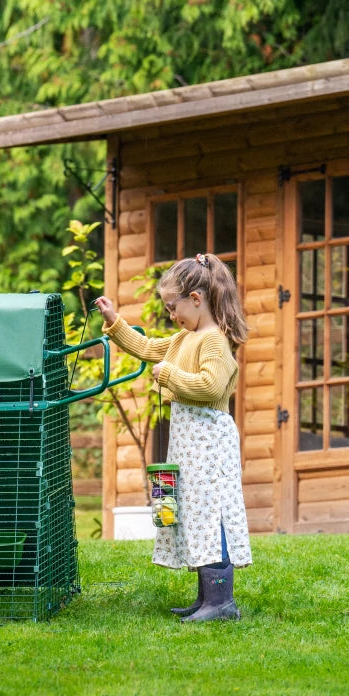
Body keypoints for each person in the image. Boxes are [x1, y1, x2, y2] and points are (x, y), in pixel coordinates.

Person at [94, 253, 252, 623]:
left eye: (173, 307)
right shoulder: (187, 337)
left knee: (210, 514)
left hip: (210, 443)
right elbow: (149, 349)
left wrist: (169, 377)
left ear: (196, 299)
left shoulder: (213, 341)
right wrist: (114, 322)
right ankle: (206, 599)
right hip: (190, 443)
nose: (171, 315)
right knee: (193, 513)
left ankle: (222, 603)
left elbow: (211, 386)